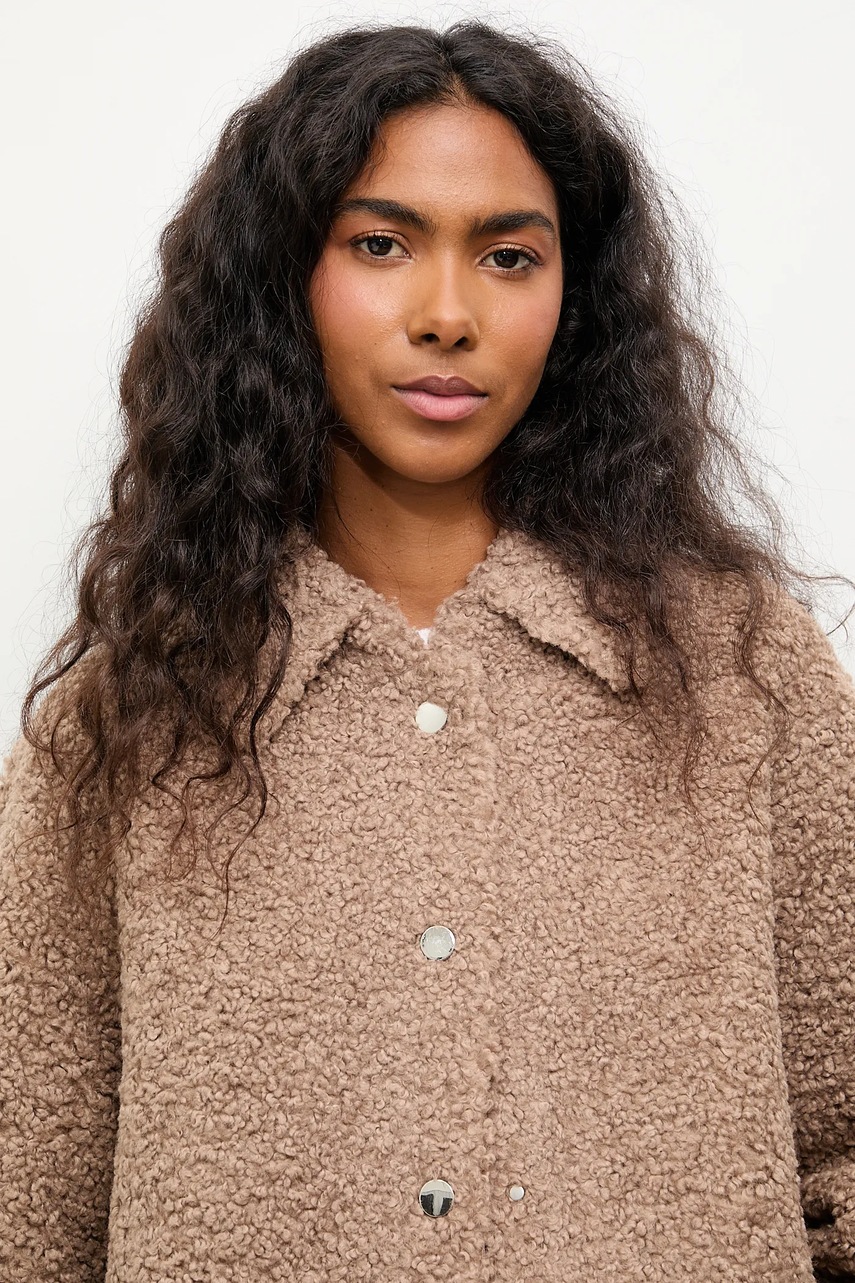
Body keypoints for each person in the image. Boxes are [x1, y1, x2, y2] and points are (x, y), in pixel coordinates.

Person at [1, 19, 852, 1283]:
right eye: (381, 244)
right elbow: (29, 1200)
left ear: (574, 298)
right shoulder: (126, 718)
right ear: (283, 279)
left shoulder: (739, 672)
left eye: (509, 255)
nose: (448, 314)